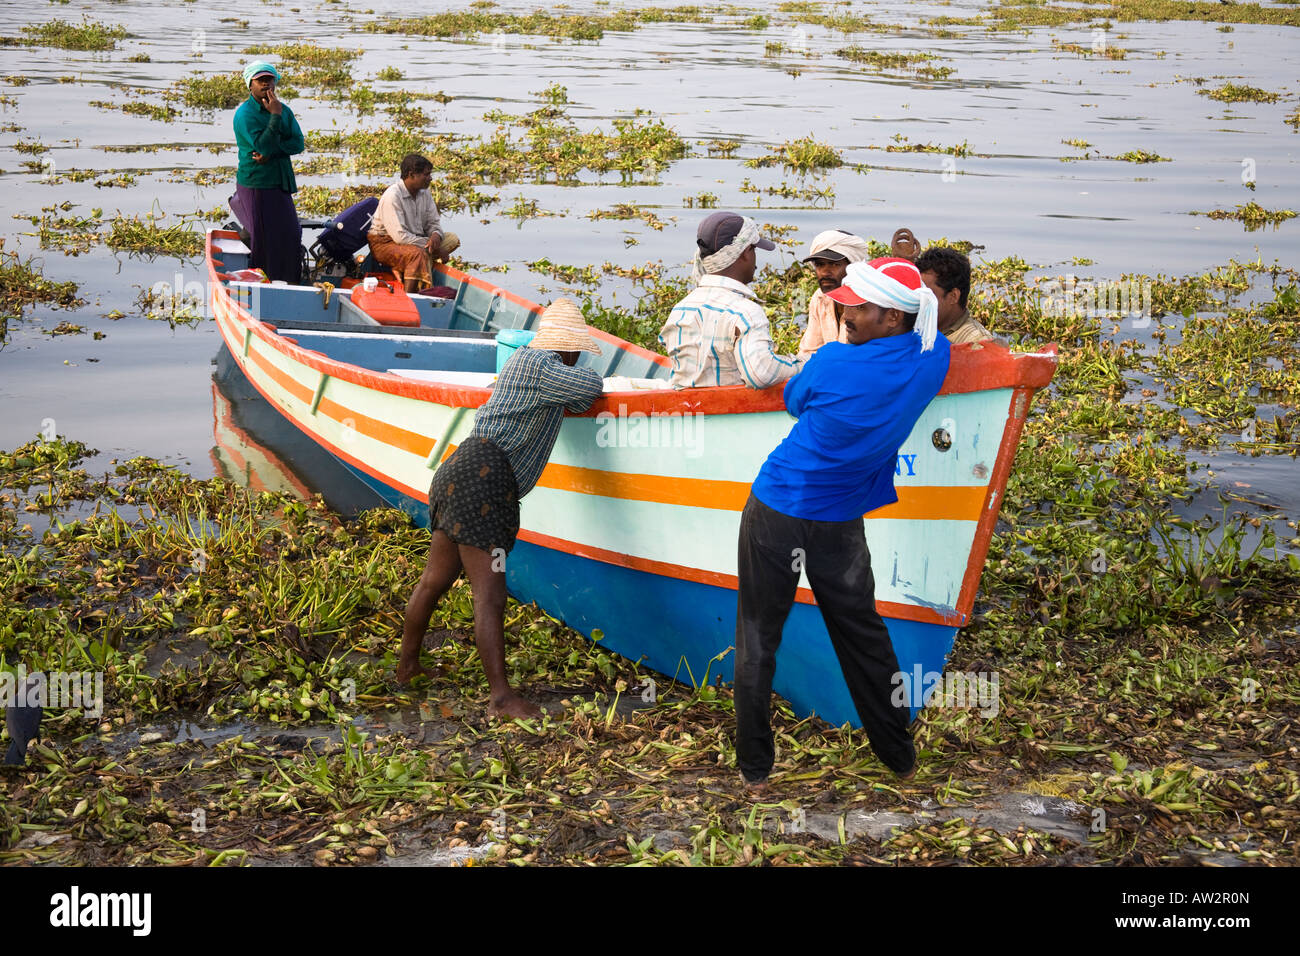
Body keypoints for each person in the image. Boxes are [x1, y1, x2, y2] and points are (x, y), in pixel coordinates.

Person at [733, 257, 951, 789]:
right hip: (840, 523)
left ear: (894, 317)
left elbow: (793, 400)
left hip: (777, 508)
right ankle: (898, 757)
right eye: (845, 301)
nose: (843, 310)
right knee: (863, 637)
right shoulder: (933, 356)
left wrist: (835, 355)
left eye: (858, 306)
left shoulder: (831, 362)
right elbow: (936, 331)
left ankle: (755, 769)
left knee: (759, 636)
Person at [397, 299, 604, 719]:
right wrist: (580, 373)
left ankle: (407, 668)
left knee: (434, 580)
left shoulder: (522, 364)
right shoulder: (546, 367)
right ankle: (501, 699)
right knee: (489, 596)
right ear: (569, 349)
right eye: (578, 351)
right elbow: (589, 390)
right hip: (485, 486)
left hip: (459, 470)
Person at [659, 212, 802, 389]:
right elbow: (761, 374)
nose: (755, 261)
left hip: (685, 411)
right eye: (754, 249)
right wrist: (800, 365)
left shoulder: (681, 309)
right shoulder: (745, 312)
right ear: (745, 253)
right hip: (727, 409)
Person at [232, 60, 305, 284]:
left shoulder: (285, 110)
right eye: (260, 80)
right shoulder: (245, 115)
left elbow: (298, 143)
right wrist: (274, 115)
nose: (266, 84)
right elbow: (260, 146)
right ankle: (263, 286)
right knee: (264, 240)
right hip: (256, 184)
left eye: (269, 80)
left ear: (275, 82)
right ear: (250, 85)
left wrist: (273, 153)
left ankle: (290, 282)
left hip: (279, 182)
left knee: (292, 233)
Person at [368, 153, 462, 293]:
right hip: (385, 244)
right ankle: (411, 295)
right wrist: (433, 248)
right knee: (418, 254)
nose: (430, 178)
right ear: (412, 175)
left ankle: (403, 267)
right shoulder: (393, 196)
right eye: (426, 174)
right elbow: (400, 237)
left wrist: (436, 235)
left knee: (452, 239)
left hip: (416, 240)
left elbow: (433, 222)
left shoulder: (424, 193)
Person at [796, 229, 872, 359]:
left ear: (853, 265)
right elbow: (809, 352)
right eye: (820, 265)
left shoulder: (869, 302)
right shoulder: (820, 298)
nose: (825, 272)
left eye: (834, 264)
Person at [915, 246, 995, 345]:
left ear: (953, 296)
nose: (918, 301)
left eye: (927, 295)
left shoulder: (977, 342)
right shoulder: (919, 326)